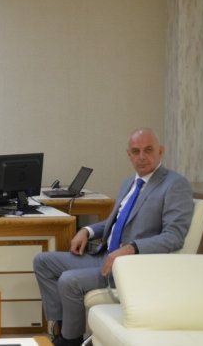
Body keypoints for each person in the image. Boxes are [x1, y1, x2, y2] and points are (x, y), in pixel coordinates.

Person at [33, 128, 193, 346]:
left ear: (160, 151)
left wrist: (131, 248)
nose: (141, 156)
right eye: (135, 151)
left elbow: (174, 237)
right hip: (105, 256)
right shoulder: (129, 182)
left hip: (131, 266)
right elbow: (115, 222)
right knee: (43, 261)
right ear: (129, 155)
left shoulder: (174, 184)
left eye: (148, 150)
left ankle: (70, 341)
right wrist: (87, 231)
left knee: (69, 280)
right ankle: (61, 328)